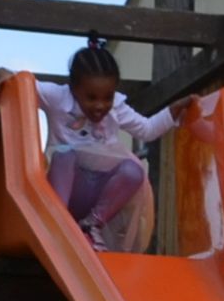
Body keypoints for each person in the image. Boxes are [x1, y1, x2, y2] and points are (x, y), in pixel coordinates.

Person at [43, 42, 163, 251]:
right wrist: (2, 77)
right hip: (65, 189)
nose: (100, 105)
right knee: (65, 155)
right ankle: (58, 223)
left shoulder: (116, 107)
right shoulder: (57, 96)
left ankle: (91, 225)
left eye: (107, 97)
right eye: (91, 97)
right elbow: (21, 84)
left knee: (134, 171)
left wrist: (173, 113)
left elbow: (147, 129)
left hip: (95, 193)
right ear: (73, 89)